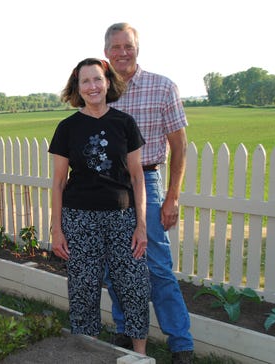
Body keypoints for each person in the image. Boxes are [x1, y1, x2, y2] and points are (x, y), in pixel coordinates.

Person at [101, 22, 194, 364]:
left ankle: (181, 345)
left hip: (149, 182)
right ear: (106, 52)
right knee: (115, 264)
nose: (123, 53)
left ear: (138, 49)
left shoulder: (162, 87)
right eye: (116, 47)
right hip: (108, 186)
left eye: (129, 46)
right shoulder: (100, 89)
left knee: (157, 267)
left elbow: (180, 146)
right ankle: (125, 330)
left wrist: (173, 197)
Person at [49, 57, 150, 355]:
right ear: (77, 88)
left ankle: (140, 355)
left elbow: (137, 177)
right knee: (83, 289)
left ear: (108, 83)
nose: (92, 86)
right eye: (85, 81)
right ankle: (87, 352)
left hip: (123, 219)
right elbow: (57, 183)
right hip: (79, 219)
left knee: (133, 286)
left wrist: (141, 225)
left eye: (97, 79)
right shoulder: (67, 128)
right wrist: (57, 229)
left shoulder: (125, 123)